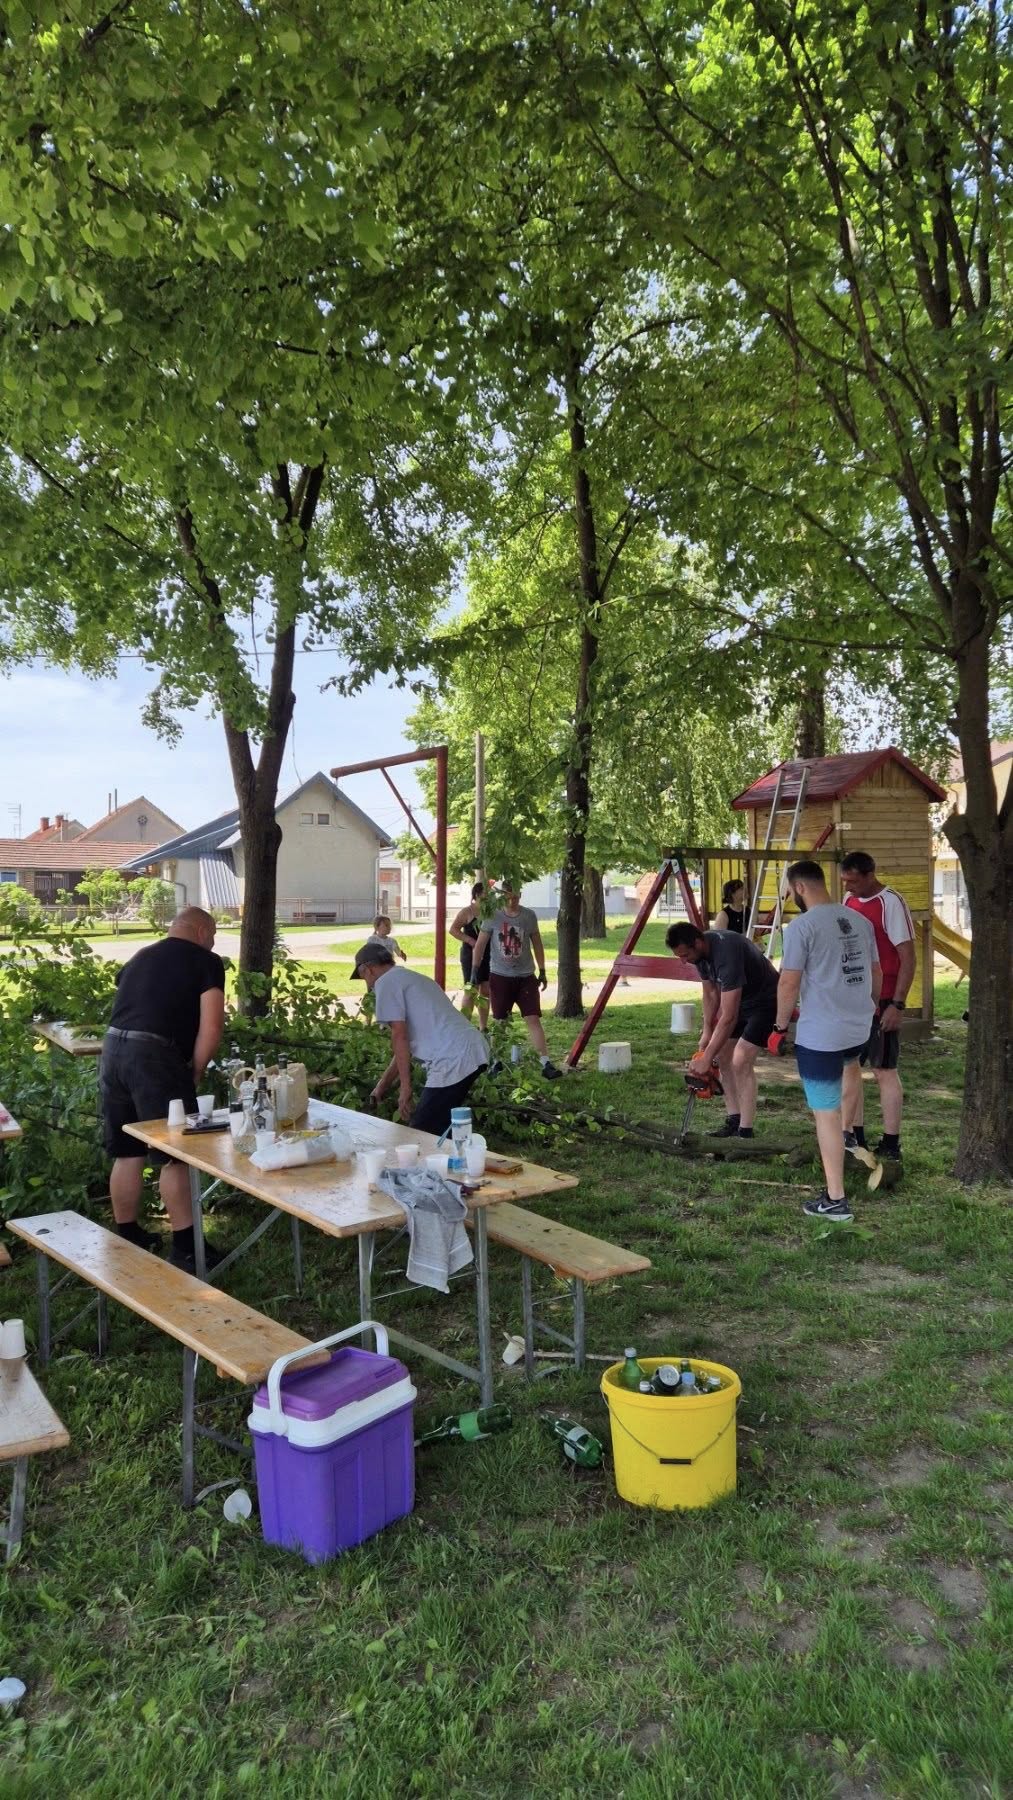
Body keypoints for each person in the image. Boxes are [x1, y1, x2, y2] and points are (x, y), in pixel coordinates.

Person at [99, 906, 225, 1272]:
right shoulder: (206, 960)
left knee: (128, 1150)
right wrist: (195, 1071)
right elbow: (212, 1026)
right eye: (213, 935)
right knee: (175, 1152)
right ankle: (187, 1247)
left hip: (113, 1051)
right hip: (154, 1055)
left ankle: (127, 1232)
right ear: (202, 932)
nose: (213, 942)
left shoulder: (141, 956)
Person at [770, 860, 881, 1223]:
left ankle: (835, 1199)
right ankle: (849, 1138)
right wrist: (870, 1008)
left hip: (822, 1035)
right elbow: (876, 972)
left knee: (825, 1112)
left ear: (799, 888)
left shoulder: (800, 927)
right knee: (851, 1071)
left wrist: (779, 1026)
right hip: (858, 1027)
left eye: (789, 891)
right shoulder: (860, 921)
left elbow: (788, 982)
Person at [353, 941, 489, 1133]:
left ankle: (450, 1158)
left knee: (422, 1132)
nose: (366, 983)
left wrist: (405, 1088)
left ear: (367, 969)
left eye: (361, 976)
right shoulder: (413, 978)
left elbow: (399, 1037)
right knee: (441, 1127)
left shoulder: (385, 983)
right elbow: (404, 1047)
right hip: (472, 1049)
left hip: (452, 1059)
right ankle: (456, 1157)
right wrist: (382, 1086)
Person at [665, 921, 780, 1137]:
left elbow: (729, 1017)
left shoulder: (726, 952)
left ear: (697, 943)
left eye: (684, 955)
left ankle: (745, 1132)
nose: (683, 961)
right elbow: (710, 994)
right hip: (742, 1002)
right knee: (724, 1056)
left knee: (741, 1059)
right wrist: (707, 1031)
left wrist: (707, 1058)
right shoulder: (699, 956)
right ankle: (733, 1120)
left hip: (767, 1001)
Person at [839, 851, 915, 1162]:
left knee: (884, 1070)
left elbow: (908, 958)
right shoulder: (847, 900)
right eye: (845, 881)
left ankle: (891, 1143)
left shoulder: (891, 903)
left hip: (884, 998)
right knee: (850, 1068)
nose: (849, 886)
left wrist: (897, 1004)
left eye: (854, 881)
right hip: (855, 998)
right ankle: (855, 1136)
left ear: (871, 875)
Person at [470, 882, 563, 1079]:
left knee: (532, 1018)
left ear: (520, 895)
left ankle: (545, 1063)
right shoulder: (493, 916)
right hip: (500, 976)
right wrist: (475, 970)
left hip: (525, 976)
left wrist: (543, 970)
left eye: (516, 896)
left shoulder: (528, 916)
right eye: (509, 897)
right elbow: (480, 945)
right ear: (502, 896)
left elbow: (537, 944)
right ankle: (497, 1062)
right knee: (500, 1020)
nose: (513, 900)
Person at [449, 882, 491, 1030]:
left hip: (489, 955)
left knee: (485, 990)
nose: (490, 895)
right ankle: (464, 1026)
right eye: (487, 892)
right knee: (471, 989)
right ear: (478, 894)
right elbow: (453, 930)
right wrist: (470, 940)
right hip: (470, 954)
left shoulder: (492, 911)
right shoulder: (467, 912)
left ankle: (483, 1026)